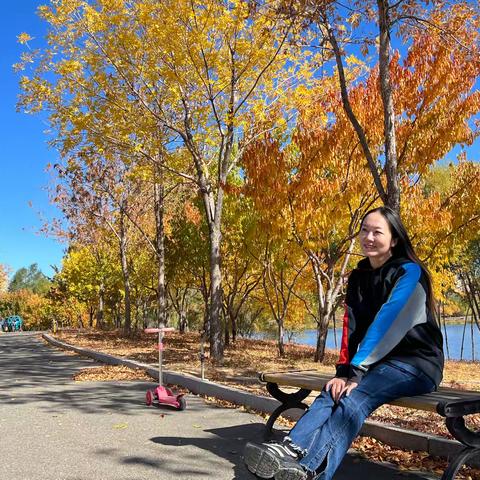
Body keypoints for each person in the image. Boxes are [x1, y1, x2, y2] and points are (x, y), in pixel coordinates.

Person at [244, 206, 444, 480]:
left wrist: (357, 373)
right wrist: (343, 373)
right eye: (364, 230)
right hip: (376, 365)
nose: (368, 237)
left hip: (417, 364)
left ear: (394, 239)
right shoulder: (358, 277)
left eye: (377, 232)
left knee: (353, 399)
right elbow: (350, 329)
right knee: (332, 391)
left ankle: (309, 470)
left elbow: (387, 324)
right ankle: (288, 451)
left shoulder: (410, 273)